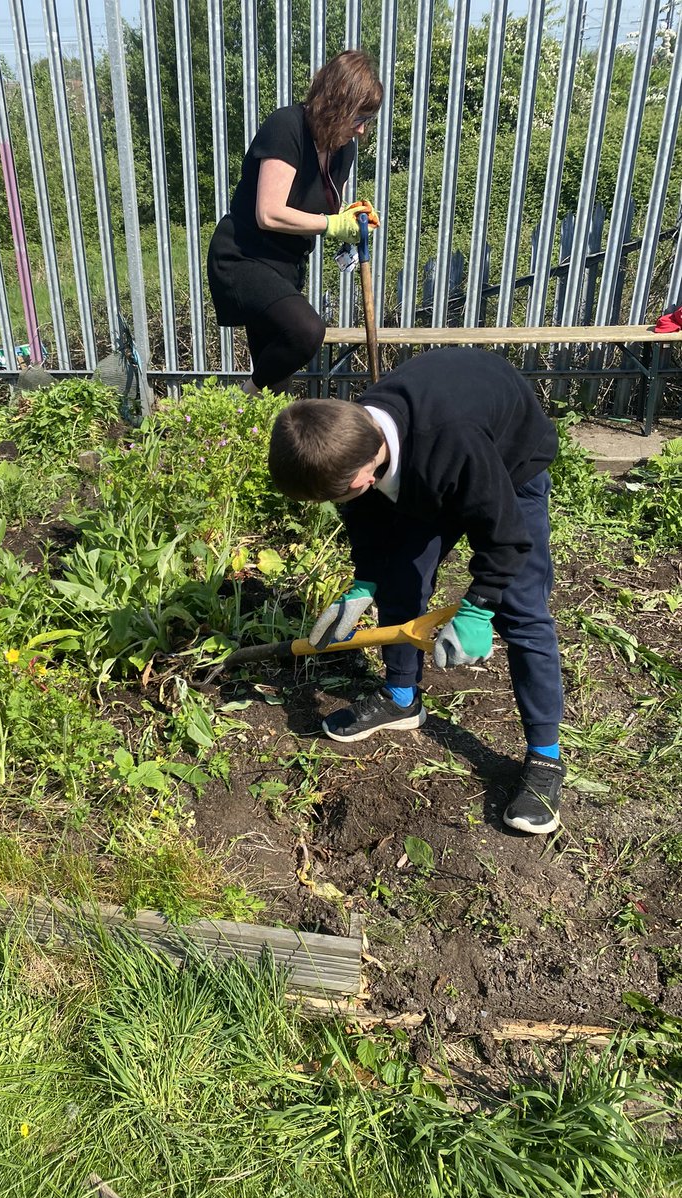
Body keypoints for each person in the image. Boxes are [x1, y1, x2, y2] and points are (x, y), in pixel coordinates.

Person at [267, 348, 565, 836]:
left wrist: (478, 608)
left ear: (366, 471)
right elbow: (366, 520)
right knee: (401, 577)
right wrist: (364, 584)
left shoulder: (454, 442)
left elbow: (507, 538)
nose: (335, 504)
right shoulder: (349, 436)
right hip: (430, 460)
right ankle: (402, 697)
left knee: (523, 612)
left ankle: (546, 759)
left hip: (509, 466)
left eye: (336, 495)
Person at [207, 49, 383, 397]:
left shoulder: (342, 149)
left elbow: (331, 210)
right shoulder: (286, 127)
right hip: (243, 258)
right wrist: (332, 225)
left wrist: (353, 218)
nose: (363, 130)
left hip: (287, 267)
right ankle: (239, 401)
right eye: (359, 117)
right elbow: (268, 212)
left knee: (279, 387)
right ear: (337, 103)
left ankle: (253, 433)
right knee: (306, 332)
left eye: (369, 120)